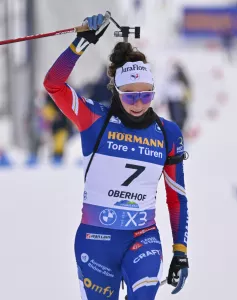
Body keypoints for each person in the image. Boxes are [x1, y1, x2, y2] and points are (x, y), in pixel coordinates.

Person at [43, 14, 189, 300]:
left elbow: (176, 196)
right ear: (116, 91)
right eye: (129, 95)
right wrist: (80, 42)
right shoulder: (93, 118)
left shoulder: (166, 132)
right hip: (96, 241)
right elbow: (54, 85)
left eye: (146, 96)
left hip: (143, 238)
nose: (138, 104)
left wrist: (180, 251)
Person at [162, 61, 191, 132]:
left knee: (180, 117)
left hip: (179, 99)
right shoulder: (171, 76)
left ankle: (179, 130)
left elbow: (187, 87)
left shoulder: (181, 77)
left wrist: (187, 97)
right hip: (173, 99)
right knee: (175, 117)